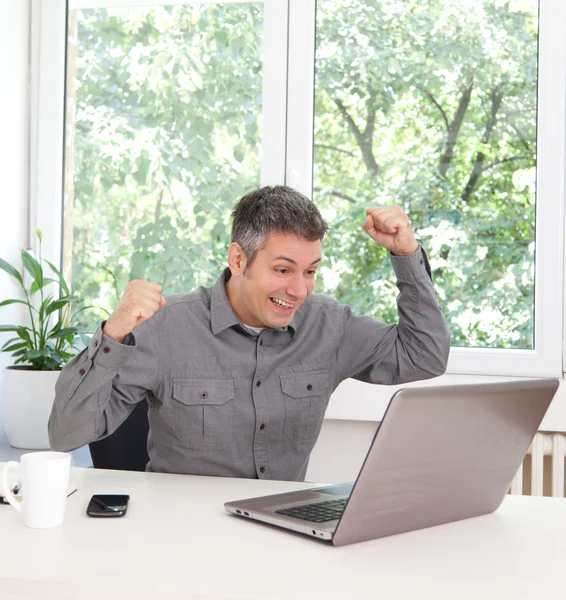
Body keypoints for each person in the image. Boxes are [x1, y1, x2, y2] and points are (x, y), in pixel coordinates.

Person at [49, 185, 450, 480]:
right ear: (238, 259)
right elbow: (67, 433)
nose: (299, 289)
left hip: (284, 531)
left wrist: (406, 255)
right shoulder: (166, 326)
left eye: (310, 271)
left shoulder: (329, 326)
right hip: (181, 533)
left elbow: (425, 357)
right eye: (282, 269)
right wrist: (113, 334)